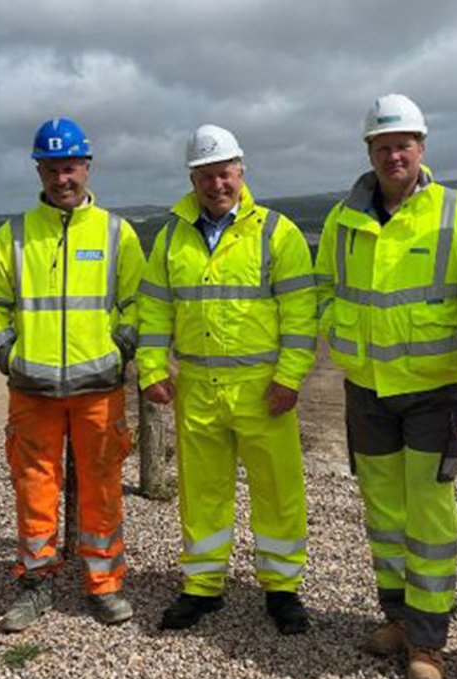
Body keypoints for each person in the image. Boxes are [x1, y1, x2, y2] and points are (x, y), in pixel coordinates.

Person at [315, 95, 457, 679]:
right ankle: (397, 618)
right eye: (383, 145)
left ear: (422, 147)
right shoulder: (343, 218)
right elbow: (325, 289)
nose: (394, 154)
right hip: (367, 391)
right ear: (369, 152)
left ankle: (429, 642)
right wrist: (338, 330)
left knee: (429, 516)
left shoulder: (456, 212)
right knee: (384, 515)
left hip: (432, 389)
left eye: (403, 143)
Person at [137, 124, 317, 635]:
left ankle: (282, 590)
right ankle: (201, 586)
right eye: (206, 176)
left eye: (225, 173)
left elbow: (301, 314)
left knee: (278, 489)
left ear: (241, 171)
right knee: (202, 492)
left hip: (265, 391)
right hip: (197, 388)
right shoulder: (171, 235)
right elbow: (154, 310)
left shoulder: (276, 232)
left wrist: (290, 378)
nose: (217, 185)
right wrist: (151, 369)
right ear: (192, 179)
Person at [0, 118, 145, 630]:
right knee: (34, 487)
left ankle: (103, 583)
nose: (61, 177)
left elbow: (139, 303)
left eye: (69, 166)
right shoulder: (17, 233)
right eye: (51, 168)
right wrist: (10, 355)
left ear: (86, 167)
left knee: (102, 486)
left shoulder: (117, 232)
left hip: (98, 388)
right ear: (39, 170)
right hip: (33, 390)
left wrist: (121, 349)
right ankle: (36, 582)